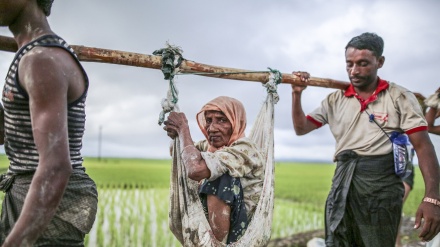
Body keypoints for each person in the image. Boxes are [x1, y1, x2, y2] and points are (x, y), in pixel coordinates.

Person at [291, 32, 440, 246]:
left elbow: (423, 145)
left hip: (381, 185)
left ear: (380, 62)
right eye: (349, 64)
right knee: (338, 239)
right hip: (343, 181)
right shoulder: (334, 99)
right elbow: (300, 128)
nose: (354, 71)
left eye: (363, 64)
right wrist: (297, 94)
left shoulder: (398, 97)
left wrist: (432, 197)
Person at [0, 1, 98, 246]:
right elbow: (10, 136)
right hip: (30, 191)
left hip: (48, 202)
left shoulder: (40, 60)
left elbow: (55, 168)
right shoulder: (31, 54)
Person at [163, 96, 264, 244]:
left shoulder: (244, 149)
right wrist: (177, 135)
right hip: (212, 224)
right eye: (208, 121)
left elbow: (195, 169)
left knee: (218, 174)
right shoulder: (212, 147)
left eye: (222, 120)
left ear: (236, 122)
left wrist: (183, 128)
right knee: (210, 164)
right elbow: (178, 152)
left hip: (243, 233)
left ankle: (217, 244)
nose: (212, 128)